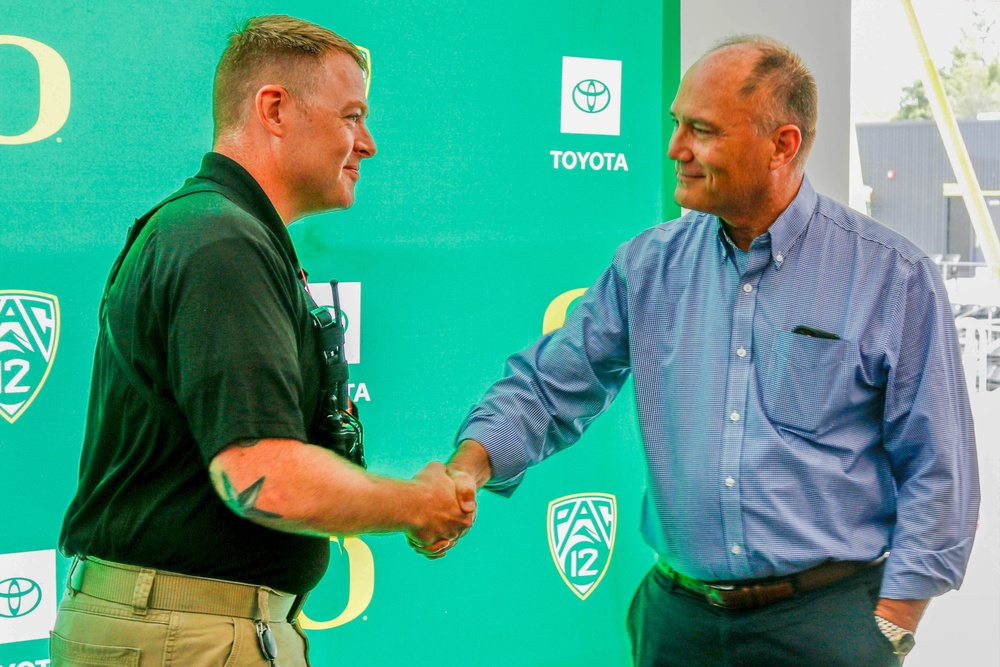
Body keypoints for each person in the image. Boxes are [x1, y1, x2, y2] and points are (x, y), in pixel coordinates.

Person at [445, 35, 980, 666]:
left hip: (827, 627)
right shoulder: (647, 267)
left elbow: (939, 472)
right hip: (677, 624)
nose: (675, 149)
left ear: (783, 144)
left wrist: (889, 626)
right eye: (677, 124)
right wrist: (467, 467)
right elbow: (548, 387)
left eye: (701, 130)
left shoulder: (893, 277)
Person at [53, 15, 475, 666]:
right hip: (185, 637)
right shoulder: (220, 242)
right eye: (351, 116)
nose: (369, 144)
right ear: (274, 109)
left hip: (192, 629)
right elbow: (263, 476)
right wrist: (418, 503)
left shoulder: (221, 232)